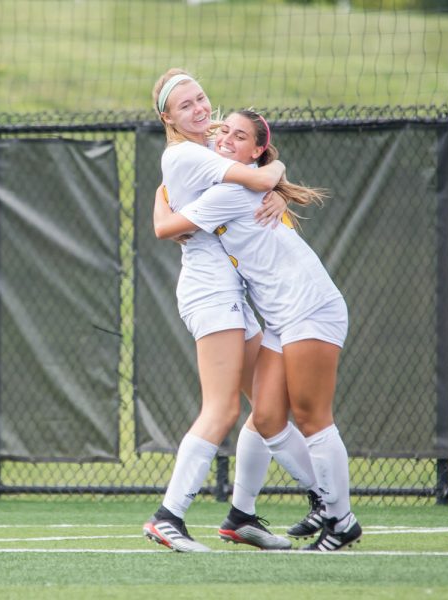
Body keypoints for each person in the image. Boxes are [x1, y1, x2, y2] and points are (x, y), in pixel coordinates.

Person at [153, 109, 362, 552]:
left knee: (312, 418)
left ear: (256, 150)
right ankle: (249, 514)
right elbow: (262, 177)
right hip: (280, 317)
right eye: (223, 130)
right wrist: (273, 176)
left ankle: (340, 520)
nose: (225, 138)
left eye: (240, 135)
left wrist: (163, 191)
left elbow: (164, 227)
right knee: (266, 417)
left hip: (310, 306)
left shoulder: (232, 188)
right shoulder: (239, 178)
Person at [143, 69, 317, 552]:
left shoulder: (200, 151)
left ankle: (242, 516)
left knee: (267, 409)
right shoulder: (187, 154)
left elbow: (170, 206)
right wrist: (273, 173)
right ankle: (168, 516)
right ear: (168, 118)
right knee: (220, 409)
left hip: (230, 293)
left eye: (201, 98)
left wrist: (268, 182)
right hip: (210, 292)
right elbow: (261, 174)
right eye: (185, 106)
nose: (199, 108)